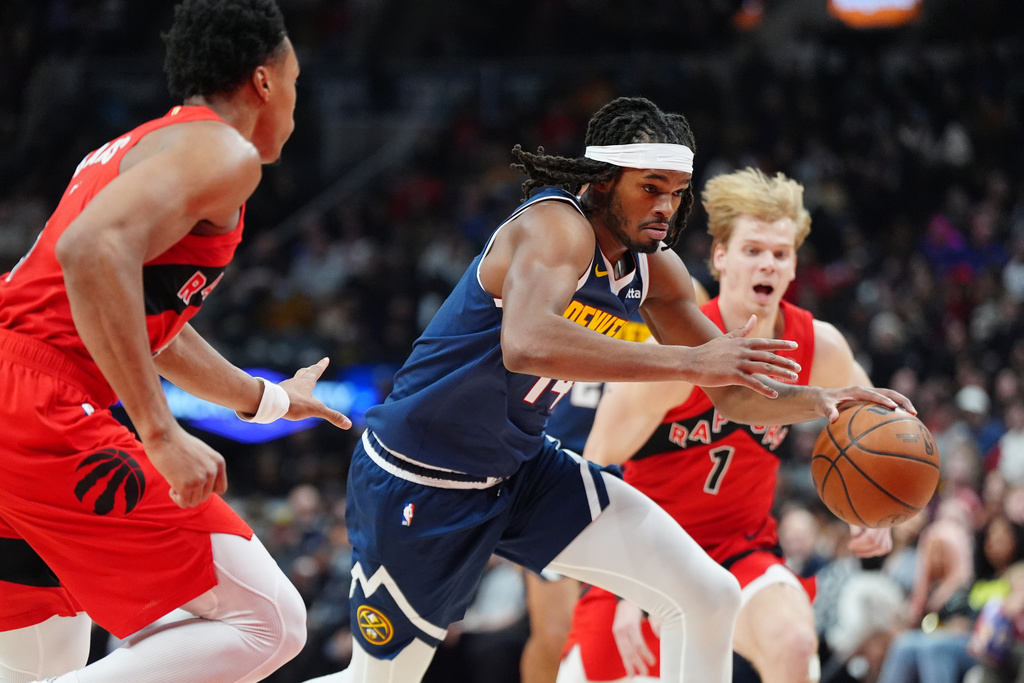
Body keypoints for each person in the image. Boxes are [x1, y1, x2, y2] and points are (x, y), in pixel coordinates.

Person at [304, 97, 911, 683]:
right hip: (423, 476)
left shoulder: (655, 268)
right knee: (378, 681)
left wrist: (820, 402)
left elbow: (727, 390)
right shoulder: (555, 226)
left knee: (707, 593)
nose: (665, 208)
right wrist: (691, 362)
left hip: (521, 471)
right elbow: (526, 342)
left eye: (675, 193)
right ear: (602, 180)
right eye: (650, 188)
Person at [0, 1, 351, 681]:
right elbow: (90, 251)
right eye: (297, 83)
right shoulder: (220, 148)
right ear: (265, 80)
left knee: (43, 657)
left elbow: (146, 323)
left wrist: (269, 400)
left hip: (16, 396)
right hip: (37, 401)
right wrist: (158, 431)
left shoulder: (142, 147)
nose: (297, 107)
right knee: (269, 622)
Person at [557, 167, 899, 683]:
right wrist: (627, 584)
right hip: (647, 554)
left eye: (780, 254)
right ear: (719, 258)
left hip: (741, 549)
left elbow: (867, 426)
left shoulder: (817, 348)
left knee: (794, 641)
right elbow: (595, 464)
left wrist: (868, 511)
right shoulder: (674, 355)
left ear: (792, 268)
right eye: (753, 250)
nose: (768, 263)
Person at [522, 283, 708, 683]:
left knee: (628, 630)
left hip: (640, 472)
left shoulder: (681, 291)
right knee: (553, 634)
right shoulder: (570, 277)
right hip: (558, 467)